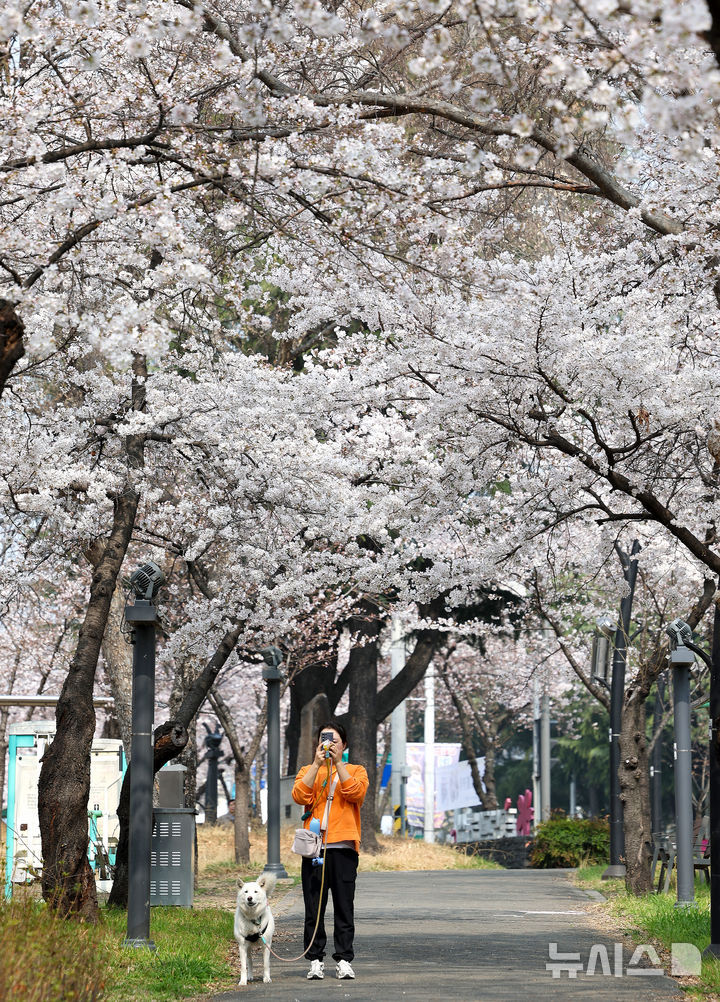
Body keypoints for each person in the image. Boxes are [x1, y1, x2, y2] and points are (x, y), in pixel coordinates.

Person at [291, 721, 369, 981]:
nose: (329, 745)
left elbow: (355, 793)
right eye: (325, 740)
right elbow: (299, 796)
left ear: (344, 745)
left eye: (334, 741)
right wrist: (316, 764)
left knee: (344, 907)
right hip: (314, 849)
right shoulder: (307, 770)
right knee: (314, 908)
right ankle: (315, 959)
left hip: (344, 849)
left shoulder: (356, 770)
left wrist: (338, 765)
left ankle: (344, 959)